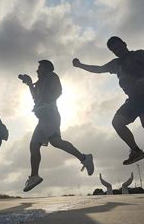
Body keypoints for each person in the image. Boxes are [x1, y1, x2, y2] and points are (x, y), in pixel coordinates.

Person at [73, 36, 144, 166]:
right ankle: (136, 151)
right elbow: (98, 69)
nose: (117, 50)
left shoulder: (139, 54)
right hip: (132, 99)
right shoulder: (116, 64)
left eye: (118, 46)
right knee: (117, 122)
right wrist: (80, 65)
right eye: (114, 49)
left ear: (124, 44)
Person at [19, 60, 94, 192]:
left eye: (39, 68)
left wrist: (48, 103)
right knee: (34, 145)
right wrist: (30, 84)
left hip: (50, 115)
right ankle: (34, 176)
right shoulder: (41, 83)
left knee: (55, 141)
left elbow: (58, 91)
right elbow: (35, 98)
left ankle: (84, 158)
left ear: (47, 69)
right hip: (42, 118)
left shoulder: (52, 76)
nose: (37, 71)